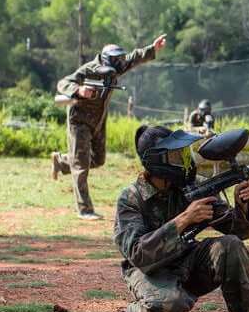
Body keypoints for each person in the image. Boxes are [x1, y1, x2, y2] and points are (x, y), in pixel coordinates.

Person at [114, 125, 249, 312]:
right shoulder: (132, 198)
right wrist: (184, 219)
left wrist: (242, 204)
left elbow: (239, 231)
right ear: (157, 161)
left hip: (187, 258)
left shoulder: (194, 186)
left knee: (231, 246)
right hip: (148, 271)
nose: (185, 161)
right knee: (170, 302)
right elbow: (138, 255)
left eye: (186, 154)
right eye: (177, 156)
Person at [51, 35, 167, 220]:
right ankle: (85, 209)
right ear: (106, 59)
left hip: (98, 120)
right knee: (81, 165)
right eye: (116, 58)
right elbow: (63, 83)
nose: (120, 61)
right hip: (79, 121)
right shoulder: (89, 69)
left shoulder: (116, 68)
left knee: (98, 160)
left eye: (120, 58)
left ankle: (62, 161)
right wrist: (79, 90)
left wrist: (153, 48)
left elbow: (133, 58)